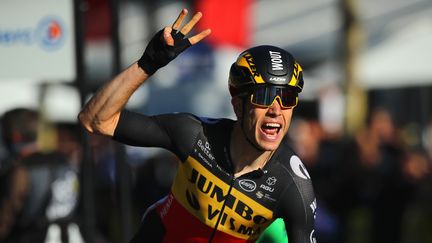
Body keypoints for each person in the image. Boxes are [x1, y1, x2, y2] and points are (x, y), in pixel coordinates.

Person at [79, 9, 316, 243]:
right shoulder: (195, 135)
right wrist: (147, 64)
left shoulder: (292, 183)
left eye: (287, 98)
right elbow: (96, 119)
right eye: (264, 97)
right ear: (237, 104)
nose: (276, 110)